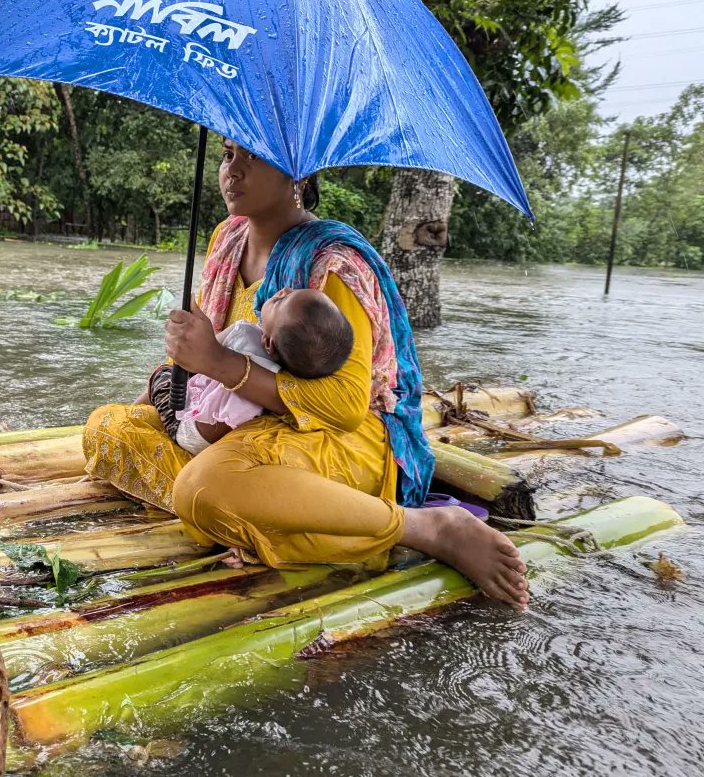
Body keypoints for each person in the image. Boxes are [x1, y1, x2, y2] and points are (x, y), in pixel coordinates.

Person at [83, 139, 529, 609]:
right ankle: (261, 514)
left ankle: (423, 528)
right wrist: (176, 372)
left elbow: (346, 407)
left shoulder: (333, 264)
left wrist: (218, 363)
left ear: (298, 174)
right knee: (107, 427)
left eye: (252, 157)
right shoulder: (226, 240)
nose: (232, 171)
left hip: (331, 438)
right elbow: (203, 362)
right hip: (236, 425)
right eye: (228, 154)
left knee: (204, 488)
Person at [148, 288, 354, 456]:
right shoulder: (285, 378)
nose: (284, 290)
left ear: (268, 343)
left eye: (281, 301)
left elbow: (195, 360)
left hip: (188, 433)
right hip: (211, 441)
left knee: (162, 374)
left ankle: (138, 409)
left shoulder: (244, 334)